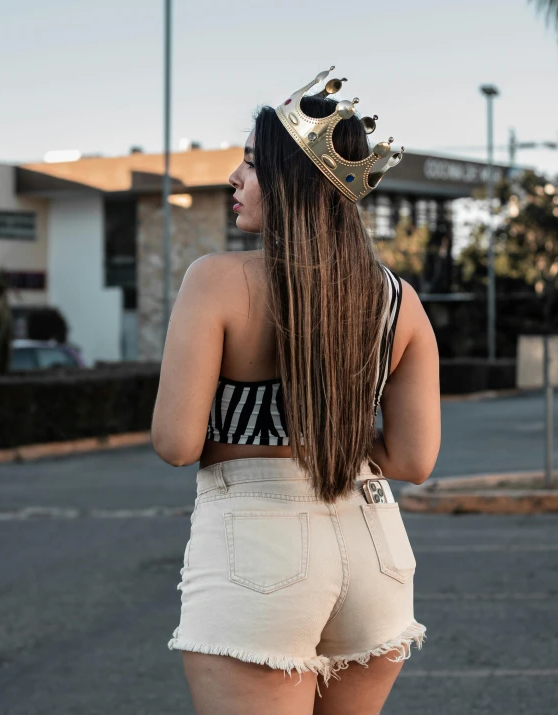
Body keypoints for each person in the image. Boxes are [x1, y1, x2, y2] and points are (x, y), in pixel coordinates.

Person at [151, 66, 441, 715]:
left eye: (250, 165)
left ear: (287, 182)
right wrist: (325, 419)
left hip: (257, 548)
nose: (235, 178)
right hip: (376, 546)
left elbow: (175, 441)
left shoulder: (216, 280)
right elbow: (415, 460)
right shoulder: (401, 301)